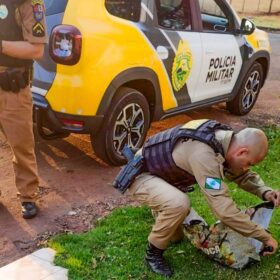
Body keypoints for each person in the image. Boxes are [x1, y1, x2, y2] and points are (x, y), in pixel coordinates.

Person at [115, 119, 280, 277]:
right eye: (249, 163)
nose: (246, 168)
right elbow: (224, 211)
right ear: (242, 151)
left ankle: (163, 206)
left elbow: (239, 174)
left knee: (176, 237)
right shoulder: (204, 155)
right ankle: (153, 254)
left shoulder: (224, 141)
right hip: (141, 176)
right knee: (179, 204)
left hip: (162, 176)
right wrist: (264, 237)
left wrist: (265, 192)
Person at [0, 0, 47, 218]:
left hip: (12, 90)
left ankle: (28, 197)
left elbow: (36, 49)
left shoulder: (29, 4)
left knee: (21, 146)